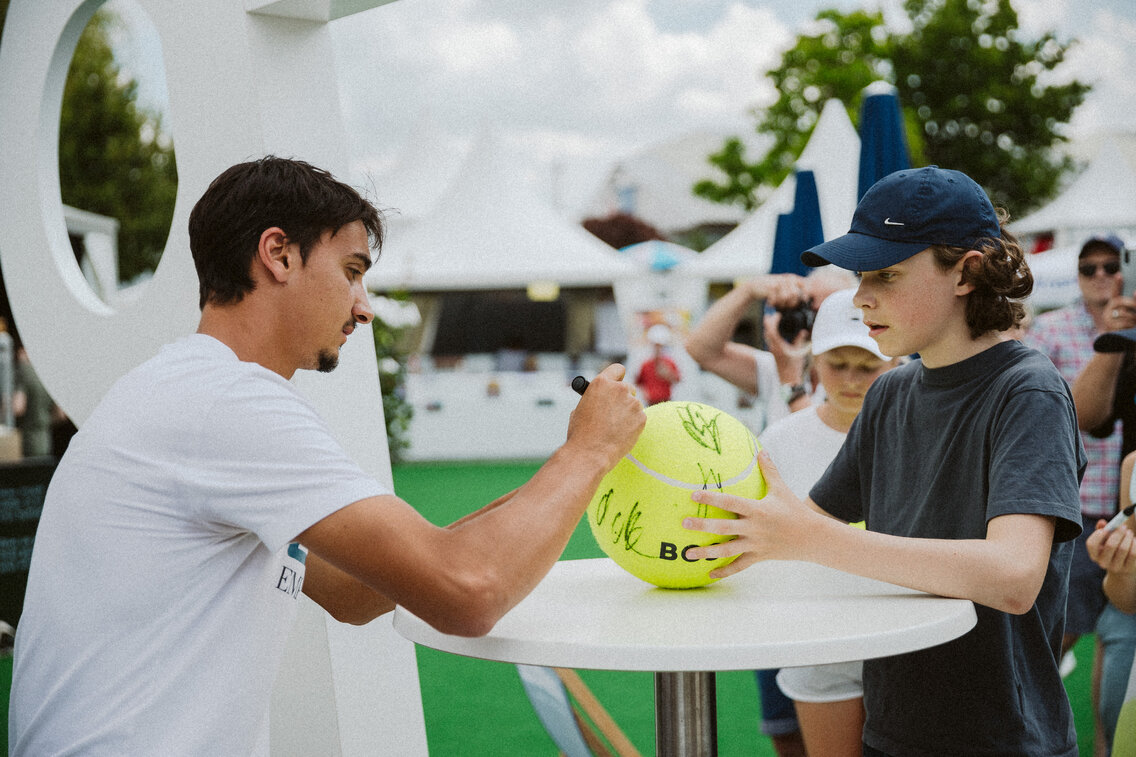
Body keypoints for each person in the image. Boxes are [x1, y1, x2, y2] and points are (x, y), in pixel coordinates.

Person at [8, 156, 646, 755]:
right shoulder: (228, 401)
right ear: (279, 254)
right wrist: (588, 454)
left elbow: (355, 592)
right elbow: (468, 593)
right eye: (352, 271)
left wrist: (572, 460)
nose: (363, 307)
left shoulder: (188, 389)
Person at [683, 166, 1085, 756]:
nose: (860, 295)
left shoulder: (1028, 392)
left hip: (1002, 739)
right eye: (859, 274)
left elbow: (1014, 576)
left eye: (887, 273)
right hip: (892, 731)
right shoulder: (892, 392)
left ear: (967, 272)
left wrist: (803, 538)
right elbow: (807, 521)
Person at [683, 266, 853, 756]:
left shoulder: (873, 372)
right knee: (783, 723)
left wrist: (790, 378)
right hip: (774, 566)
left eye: (822, 306)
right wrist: (746, 290)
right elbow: (701, 348)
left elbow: (836, 454)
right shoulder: (774, 361)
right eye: (802, 304)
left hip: (831, 566)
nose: (810, 317)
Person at [759, 287, 900, 757]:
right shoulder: (779, 439)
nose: (851, 379)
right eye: (837, 363)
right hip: (816, 636)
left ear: (895, 365)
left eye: (867, 367)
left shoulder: (920, 433)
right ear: (812, 363)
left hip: (904, 633)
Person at [1025, 234, 1127, 661]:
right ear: (1078, 276)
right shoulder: (1050, 330)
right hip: (1078, 507)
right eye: (1089, 268)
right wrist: (1110, 341)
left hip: (1128, 507)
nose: (1100, 275)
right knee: (1059, 631)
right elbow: (1035, 411)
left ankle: (1106, 732)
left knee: (1119, 638)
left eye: (1110, 265)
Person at [634, 323, 681, 405]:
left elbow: (677, 379)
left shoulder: (669, 363)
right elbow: (638, 382)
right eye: (656, 346)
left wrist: (668, 374)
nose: (658, 349)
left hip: (666, 401)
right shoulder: (646, 365)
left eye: (660, 346)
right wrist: (645, 394)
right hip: (651, 402)